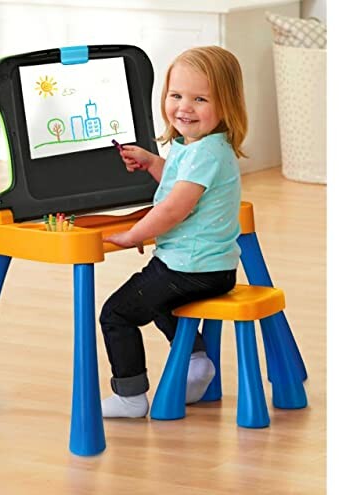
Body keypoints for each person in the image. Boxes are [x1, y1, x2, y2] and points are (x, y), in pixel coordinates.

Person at [101, 46, 248, 418]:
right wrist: (152, 162)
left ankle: (130, 395)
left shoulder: (204, 155)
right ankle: (196, 361)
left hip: (188, 268)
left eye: (200, 99)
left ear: (226, 105)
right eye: (176, 95)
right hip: (214, 269)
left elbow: (173, 209)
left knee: (117, 313)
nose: (184, 107)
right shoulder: (201, 148)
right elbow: (179, 182)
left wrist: (135, 235)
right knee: (159, 300)